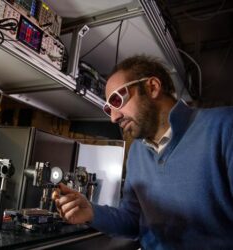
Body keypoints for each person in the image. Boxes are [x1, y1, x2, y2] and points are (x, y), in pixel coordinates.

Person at [55, 55, 233, 249]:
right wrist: (91, 212)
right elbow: (133, 222)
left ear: (152, 87)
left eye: (117, 100)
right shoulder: (137, 152)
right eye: (108, 109)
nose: (114, 117)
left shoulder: (224, 127)